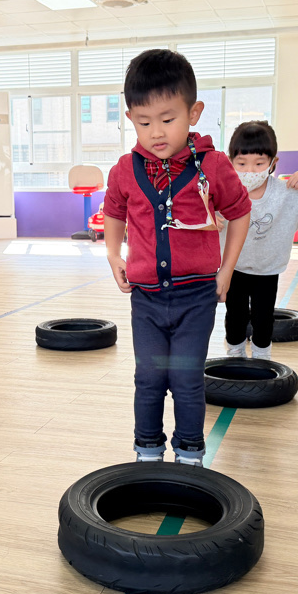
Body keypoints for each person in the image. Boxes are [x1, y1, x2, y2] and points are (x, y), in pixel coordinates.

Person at [103, 49, 251, 466]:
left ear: (194, 113)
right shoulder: (124, 169)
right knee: (149, 377)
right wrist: (113, 254)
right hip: (147, 299)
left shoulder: (213, 165)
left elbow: (240, 212)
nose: (156, 132)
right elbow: (113, 211)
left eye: (168, 119)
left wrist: (227, 270)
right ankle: (147, 451)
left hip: (195, 298)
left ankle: (189, 454)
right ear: (130, 117)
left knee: (186, 378)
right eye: (143, 122)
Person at [219, 121, 298, 360]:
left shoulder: (288, 194)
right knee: (235, 315)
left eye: (259, 163)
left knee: (263, 317)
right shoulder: (223, 193)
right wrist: (208, 215)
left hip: (268, 269)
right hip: (233, 268)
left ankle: (262, 357)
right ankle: (234, 354)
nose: (250, 171)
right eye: (242, 163)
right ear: (230, 161)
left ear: (273, 163)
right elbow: (195, 207)